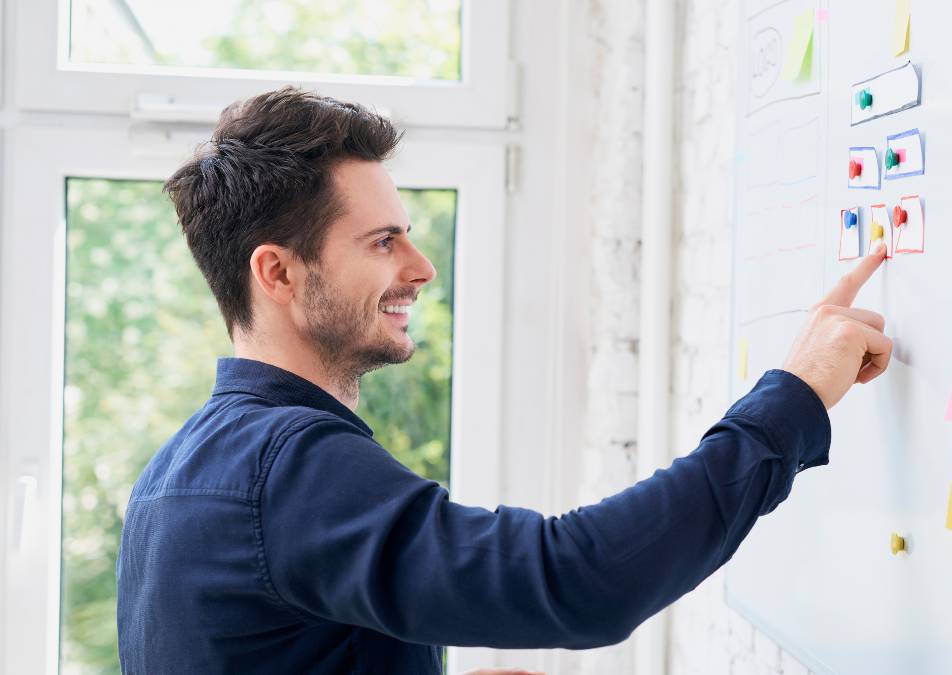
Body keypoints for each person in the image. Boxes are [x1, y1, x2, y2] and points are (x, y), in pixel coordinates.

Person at [115, 87, 891, 675]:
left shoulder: (177, 471)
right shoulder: (289, 469)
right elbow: (577, 579)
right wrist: (791, 397)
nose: (421, 267)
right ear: (278, 272)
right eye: (383, 242)